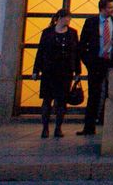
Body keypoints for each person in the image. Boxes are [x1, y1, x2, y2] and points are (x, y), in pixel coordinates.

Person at [35, 9, 81, 138]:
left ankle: (58, 127)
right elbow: (41, 51)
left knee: (61, 101)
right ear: (60, 18)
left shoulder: (72, 33)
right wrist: (36, 69)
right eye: (67, 17)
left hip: (65, 71)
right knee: (47, 99)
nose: (69, 20)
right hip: (49, 70)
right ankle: (45, 128)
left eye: (69, 18)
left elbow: (76, 53)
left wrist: (77, 71)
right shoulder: (47, 33)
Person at [77, 0, 113, 137]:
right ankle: (89, 126)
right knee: (94, 94)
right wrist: (87, 61)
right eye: (110, 7)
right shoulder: (91, 22)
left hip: (111, 62)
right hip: (96, 62)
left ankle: (107, 123)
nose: (112, 10)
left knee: (111, 93)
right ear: (102, 9)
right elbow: (82, 44)